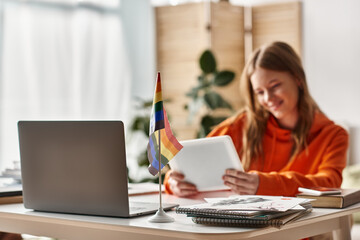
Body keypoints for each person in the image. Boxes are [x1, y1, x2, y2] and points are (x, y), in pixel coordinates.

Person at [164, 41, 349, 198]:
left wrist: (266, 184)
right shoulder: (240, 126)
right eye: (260, 92)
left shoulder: (333, 135)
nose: (268, 98)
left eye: (275, 86)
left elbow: (329, 184)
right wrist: (173, 183)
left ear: (298, 79)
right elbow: (191, 164)